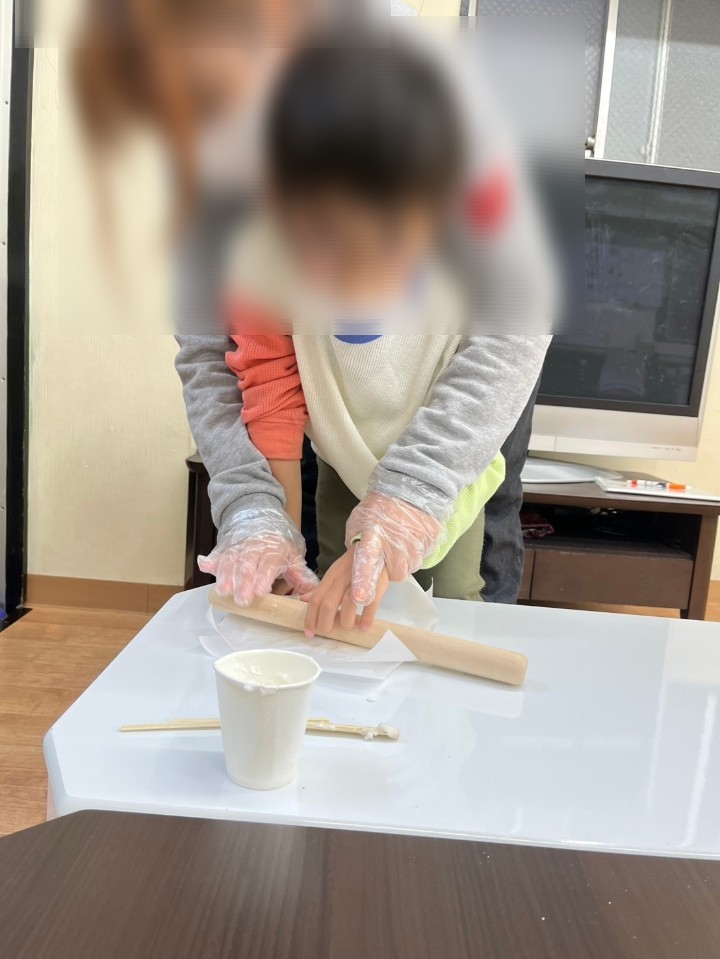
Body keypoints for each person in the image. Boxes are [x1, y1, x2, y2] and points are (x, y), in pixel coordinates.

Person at [72, 0, 556, 625]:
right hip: (338, 393)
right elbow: (235, 361)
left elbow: (517, 319)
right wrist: (259, 514)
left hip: (451, 353)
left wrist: (412, 495)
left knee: (465, 575)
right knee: (334, 570)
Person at [223, 37, 507, 634]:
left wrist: (403, 509)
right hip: (343, 447)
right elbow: (270, 388)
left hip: (449, 451)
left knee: (451, 602)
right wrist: (276, 532)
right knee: (337, 597)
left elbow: (505, 353)